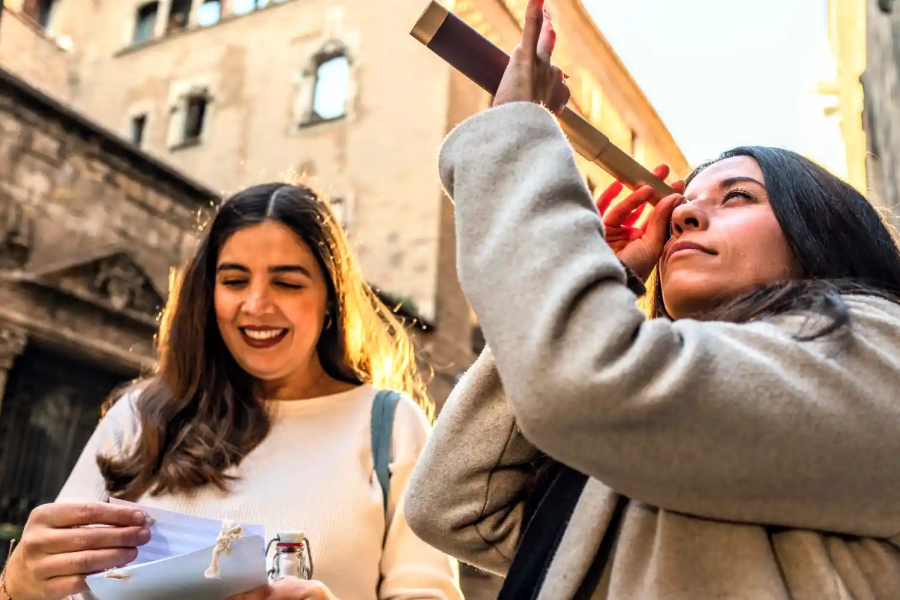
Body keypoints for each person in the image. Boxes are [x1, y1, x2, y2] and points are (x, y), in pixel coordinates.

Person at [403, 0, 900, 598]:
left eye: (737, 196)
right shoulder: (652, 421)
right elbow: (454, 503)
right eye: (687, 200)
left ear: (819, 229)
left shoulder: (876, 342)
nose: (686, 212)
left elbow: (585, 384)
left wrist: (515, 134)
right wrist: (605, 276)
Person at [1, 183, 462, 600]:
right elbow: (61, 589)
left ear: (330, 302)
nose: (256, 305)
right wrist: (17, 586)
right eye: (234, 281)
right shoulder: (138, 416)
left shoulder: (391, 426)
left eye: (286, 282)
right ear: (209, 294)